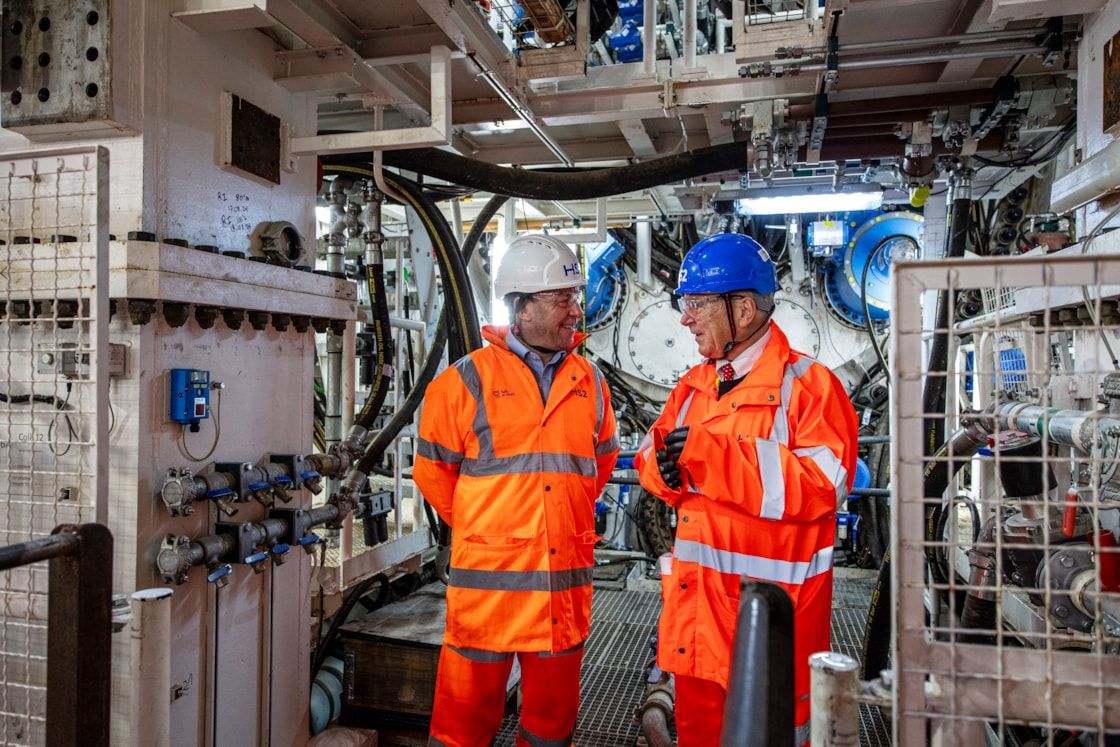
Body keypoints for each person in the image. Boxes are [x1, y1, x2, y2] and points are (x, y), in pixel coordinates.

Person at [634, 232, 859, 747]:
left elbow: (825, 485)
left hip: (768, 631)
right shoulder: (692, 387)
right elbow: (654, 452)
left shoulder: (810, 387)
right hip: (696, 620)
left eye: (695, 304)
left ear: (742, 308)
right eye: (683, 305)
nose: (685, 318)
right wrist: (661, 473)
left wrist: (711, 457)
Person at [414, 233, 620, 747]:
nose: (576, 310)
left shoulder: (590, 382)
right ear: (520, 307)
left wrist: (554, 521)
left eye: (576, 295)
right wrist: (493, 531)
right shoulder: (464, 382)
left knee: (551, 732)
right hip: (488, 597)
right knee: (462, 731)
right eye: (561, 298)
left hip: (561, 594)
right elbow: (434, 475)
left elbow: (597, 466)